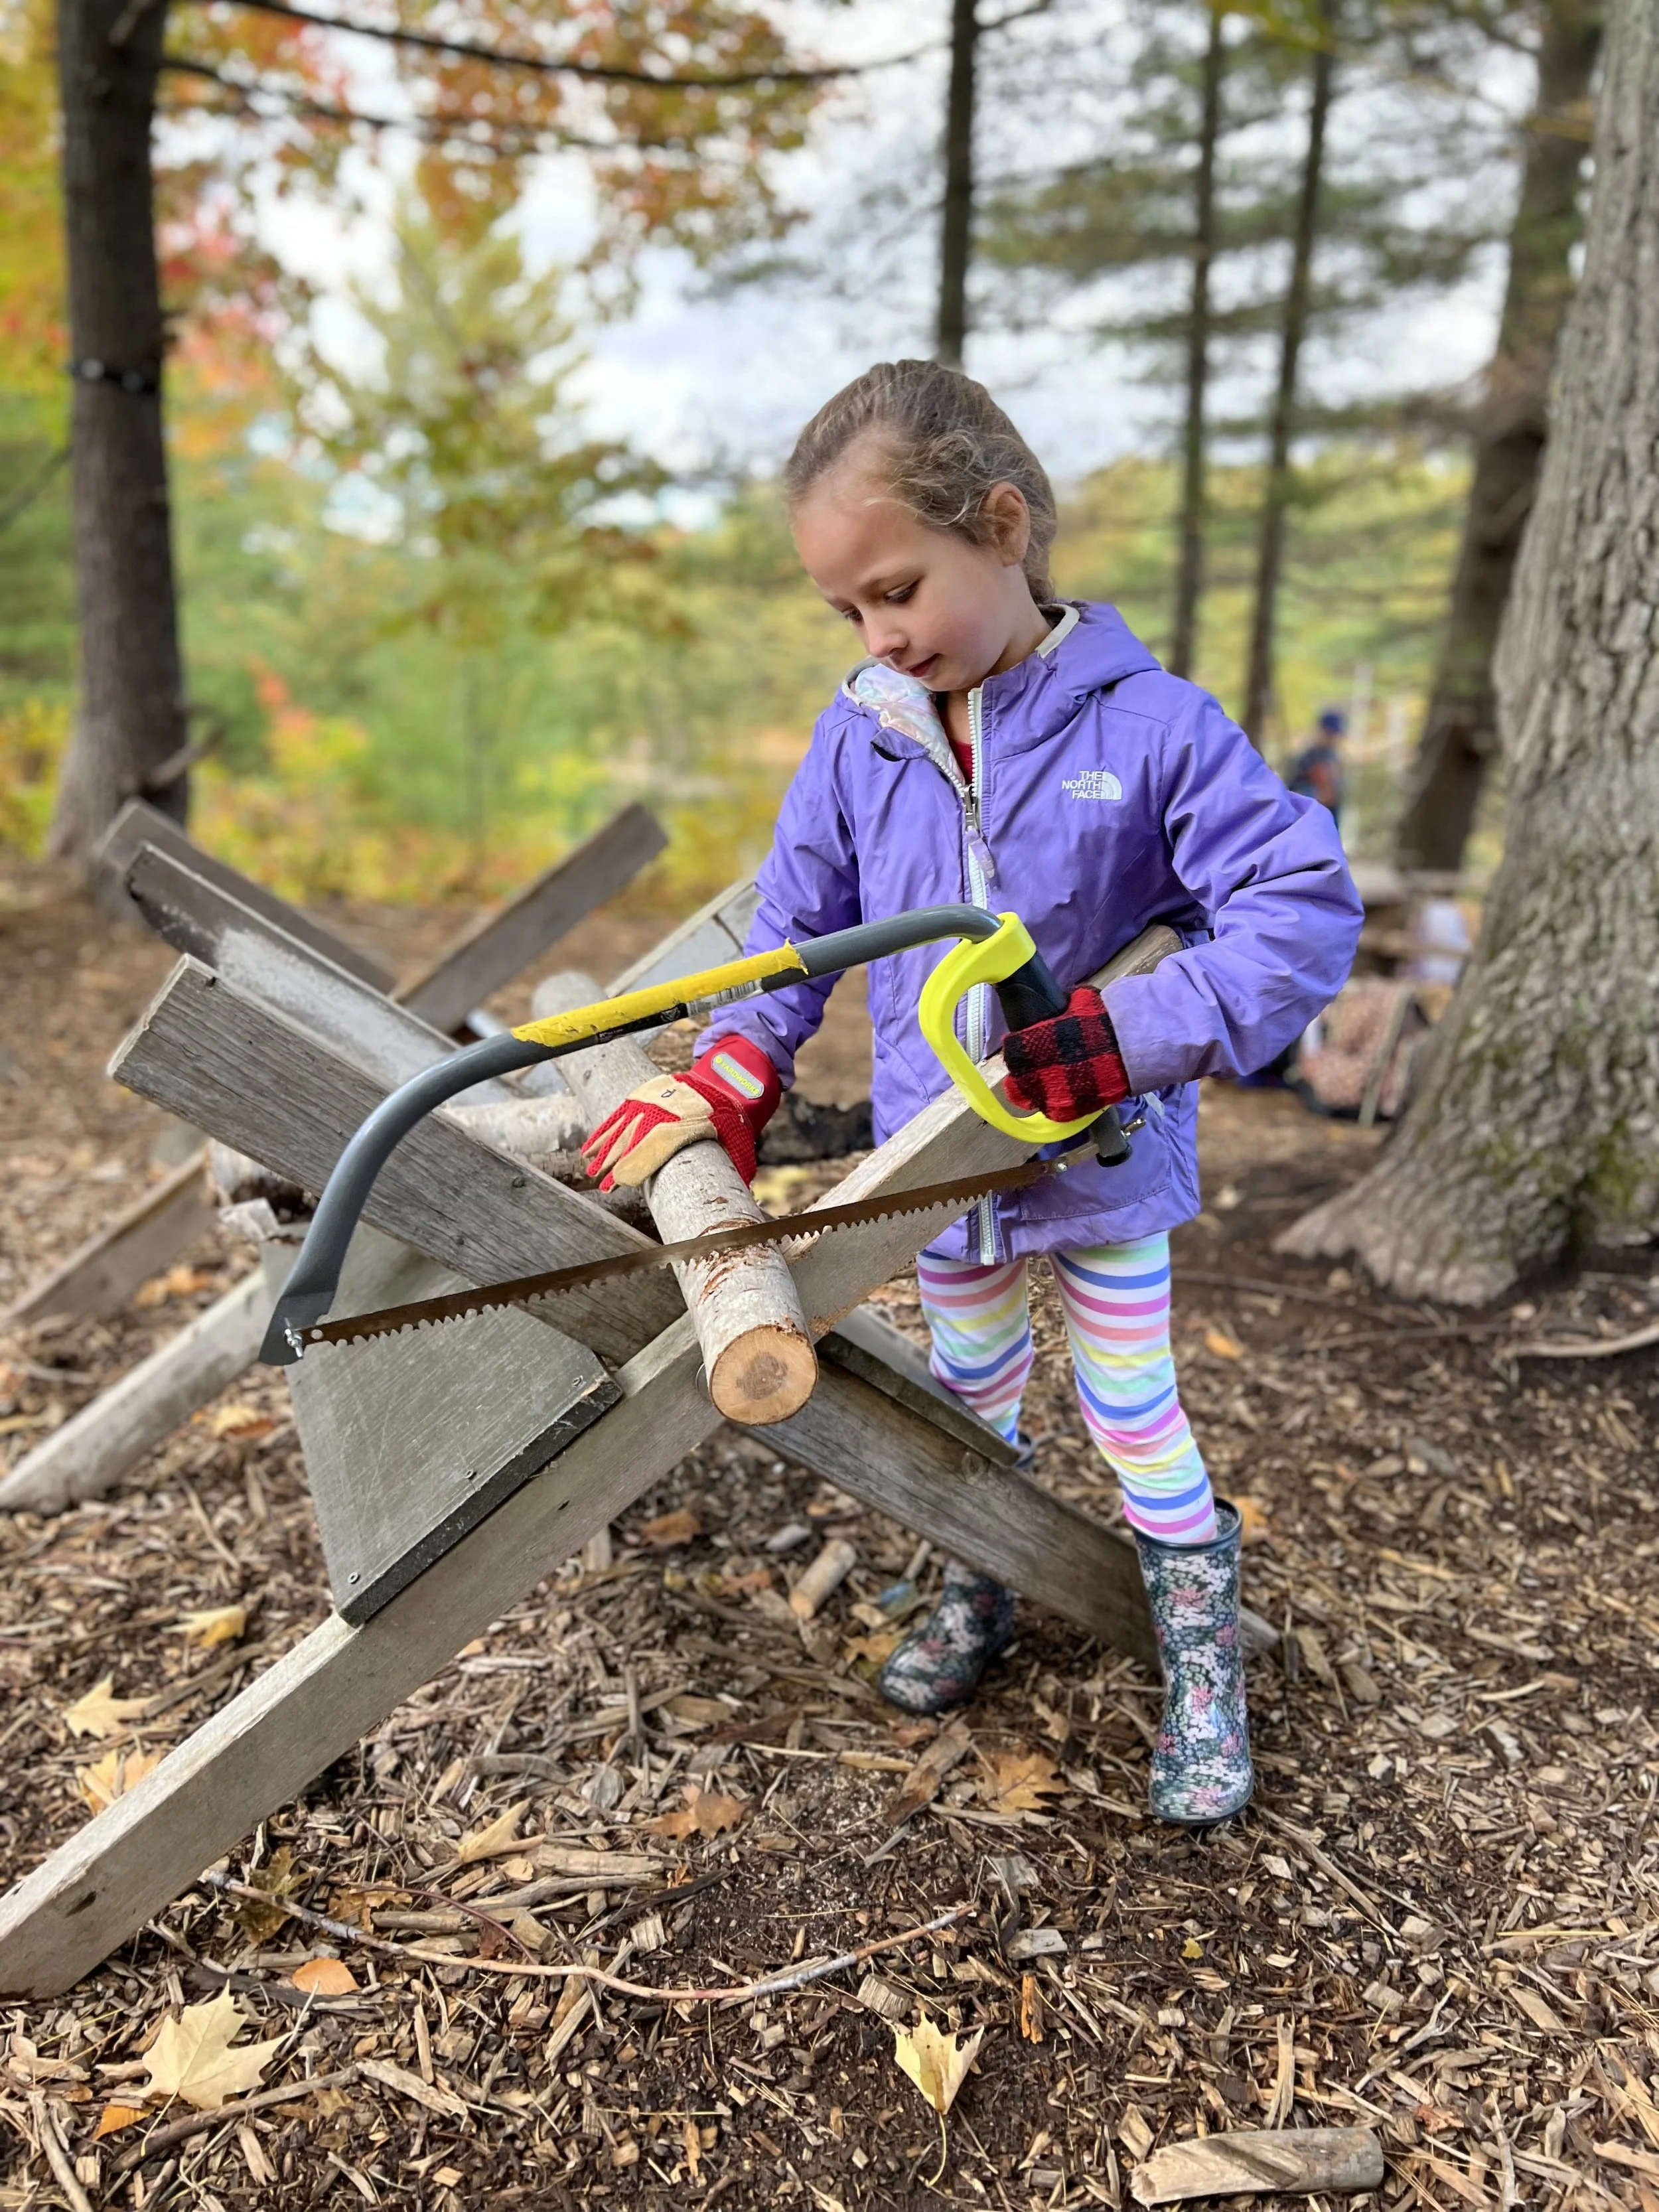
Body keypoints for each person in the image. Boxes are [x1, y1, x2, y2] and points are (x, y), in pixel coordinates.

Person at [581, 360, 1362, 1826]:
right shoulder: (861, 732)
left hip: (1099, 1151)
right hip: (939, 1166)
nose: (879, 634)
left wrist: (1123, 1036)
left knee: (1130, 1404)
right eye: (847, 610)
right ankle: (978, 1585)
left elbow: (1298, 906)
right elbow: (790, 929)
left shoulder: (1151, 725)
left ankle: (1199, 1663)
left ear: (1001, 527)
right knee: (970, 1397)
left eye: (896, 590)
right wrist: (738, 1069)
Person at [1286, 707, 1347, 822]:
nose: (1334, 738)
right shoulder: (1307, 758)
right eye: (1330, 733)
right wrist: (1316, 795)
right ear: (1322, 731)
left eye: (1336, 734)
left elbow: (1338, 792)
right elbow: (1293, 792)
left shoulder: (1334, 757)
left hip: (1330, 818)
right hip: (1310, 820)